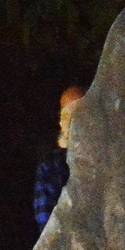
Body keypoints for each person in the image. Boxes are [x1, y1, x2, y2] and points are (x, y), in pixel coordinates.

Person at [33, 85, 86, 234]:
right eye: (67, 115)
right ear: (61, 123)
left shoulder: (110, 157)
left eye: (80, 112)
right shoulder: (52, 168)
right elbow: (48, 229)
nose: (74, 121)